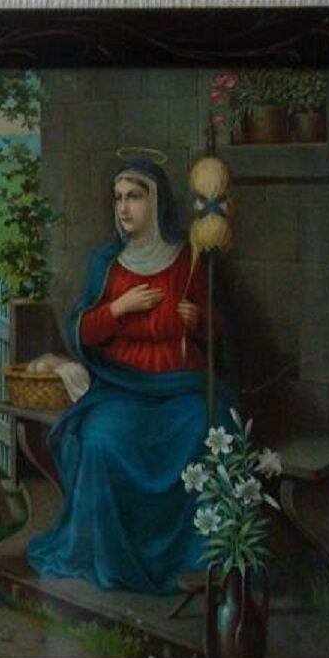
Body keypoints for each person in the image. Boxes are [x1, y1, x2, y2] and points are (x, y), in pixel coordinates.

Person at [25, 158, 235, 595]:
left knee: (210, 423)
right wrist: (118, 309)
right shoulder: (108, 263)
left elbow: (222, 331)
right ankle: (115, 558)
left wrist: (198, 320)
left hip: (180, 384)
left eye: (134, 197)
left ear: (156, 202)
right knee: (99, 440)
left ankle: (195, 560)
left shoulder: (189, 257)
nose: (123, 207)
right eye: (118, 198)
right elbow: (81, 330)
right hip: (121, 387)